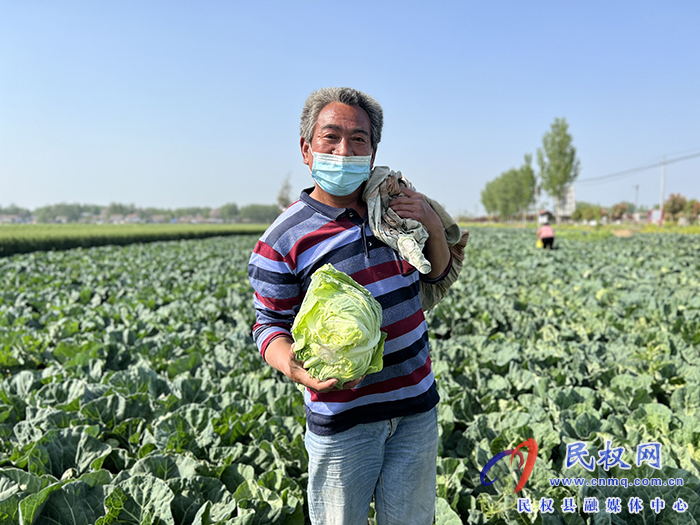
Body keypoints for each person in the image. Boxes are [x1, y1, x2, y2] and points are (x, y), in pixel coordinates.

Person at [248, 87, 452, 525]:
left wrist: (433, 223)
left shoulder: (394, 211)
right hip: (343, 420)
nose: (345, 150)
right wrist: (294, 367)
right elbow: (267, 325)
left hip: (415, 407)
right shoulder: (283, 238)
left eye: (358, 140)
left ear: (373, 151)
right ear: (307, 149)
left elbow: (435, 275)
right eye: (331, 138)